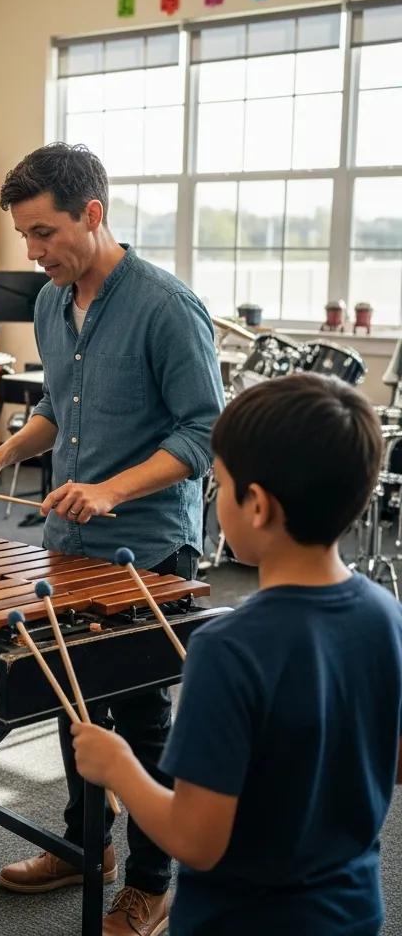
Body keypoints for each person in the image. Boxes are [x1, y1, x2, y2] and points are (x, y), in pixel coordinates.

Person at [0, 143, 224, 935]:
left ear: (92, 214)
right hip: (65, 543)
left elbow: (203, 432)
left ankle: (151, 879)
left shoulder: (167, 307)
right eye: (25, 239)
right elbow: (58, 412)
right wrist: (3, 451)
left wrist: (111, 488)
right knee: (76, 706)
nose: (33, 255)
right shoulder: (48, 302)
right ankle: (83, 847)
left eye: (43, 234)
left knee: (140, 717)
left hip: (147, 548)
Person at [73, 374, 402, 934]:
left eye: (217, 485)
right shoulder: (388, 616)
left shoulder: (228, 649)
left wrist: (119, 768)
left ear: (257, 506)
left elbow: (196, 843)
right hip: (351, 911)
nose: (213, 499)